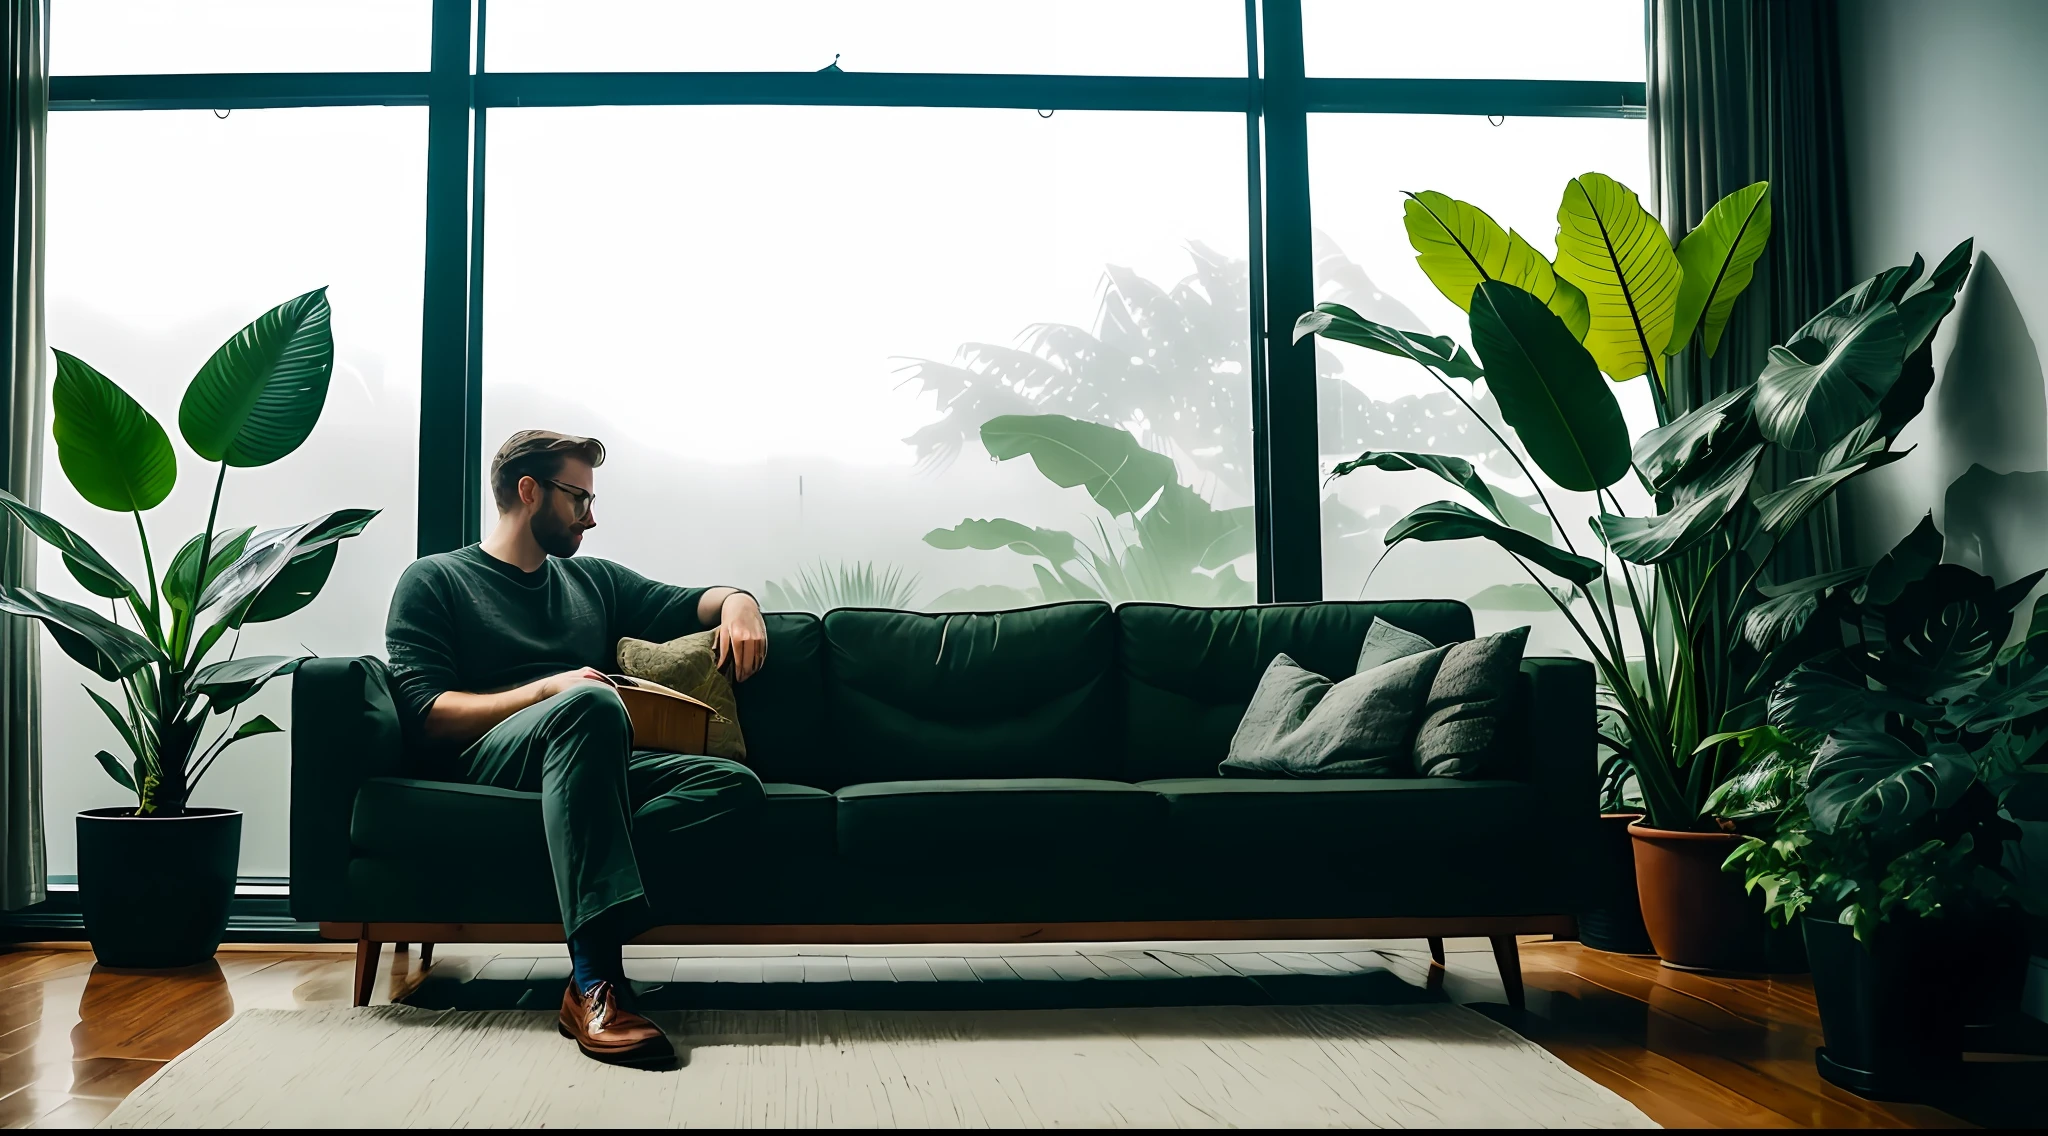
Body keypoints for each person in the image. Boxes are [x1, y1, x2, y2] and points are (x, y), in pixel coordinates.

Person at [384, 429, 768, 1068]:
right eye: (577, 498)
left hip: (588, 760)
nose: (591, 516)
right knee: (589, 702)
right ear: (528, 492)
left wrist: (740, 602)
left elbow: (686, 603)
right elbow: (427, 716)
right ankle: (595, 979)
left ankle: (583, 877)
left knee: (733, 788)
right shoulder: (435, 581)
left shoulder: (593, 582)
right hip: (488, 760)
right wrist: (546, 692)